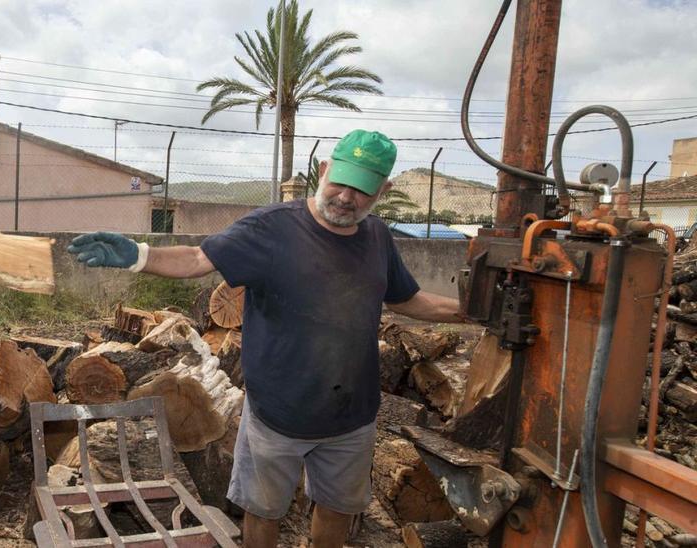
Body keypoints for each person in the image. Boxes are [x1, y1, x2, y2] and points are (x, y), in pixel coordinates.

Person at [67, 129, 463, 547]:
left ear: (384, 190)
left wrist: (469, 311)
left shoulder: (378, 238)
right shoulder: (271, 228)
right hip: (277, 413)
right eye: (340, 182)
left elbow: (407, 299)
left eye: (362, 190)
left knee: (337, 509)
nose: (346, 197)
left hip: (351, 416)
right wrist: (139, 256)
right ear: (323, 170)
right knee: (263, 511)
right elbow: (200, 258)